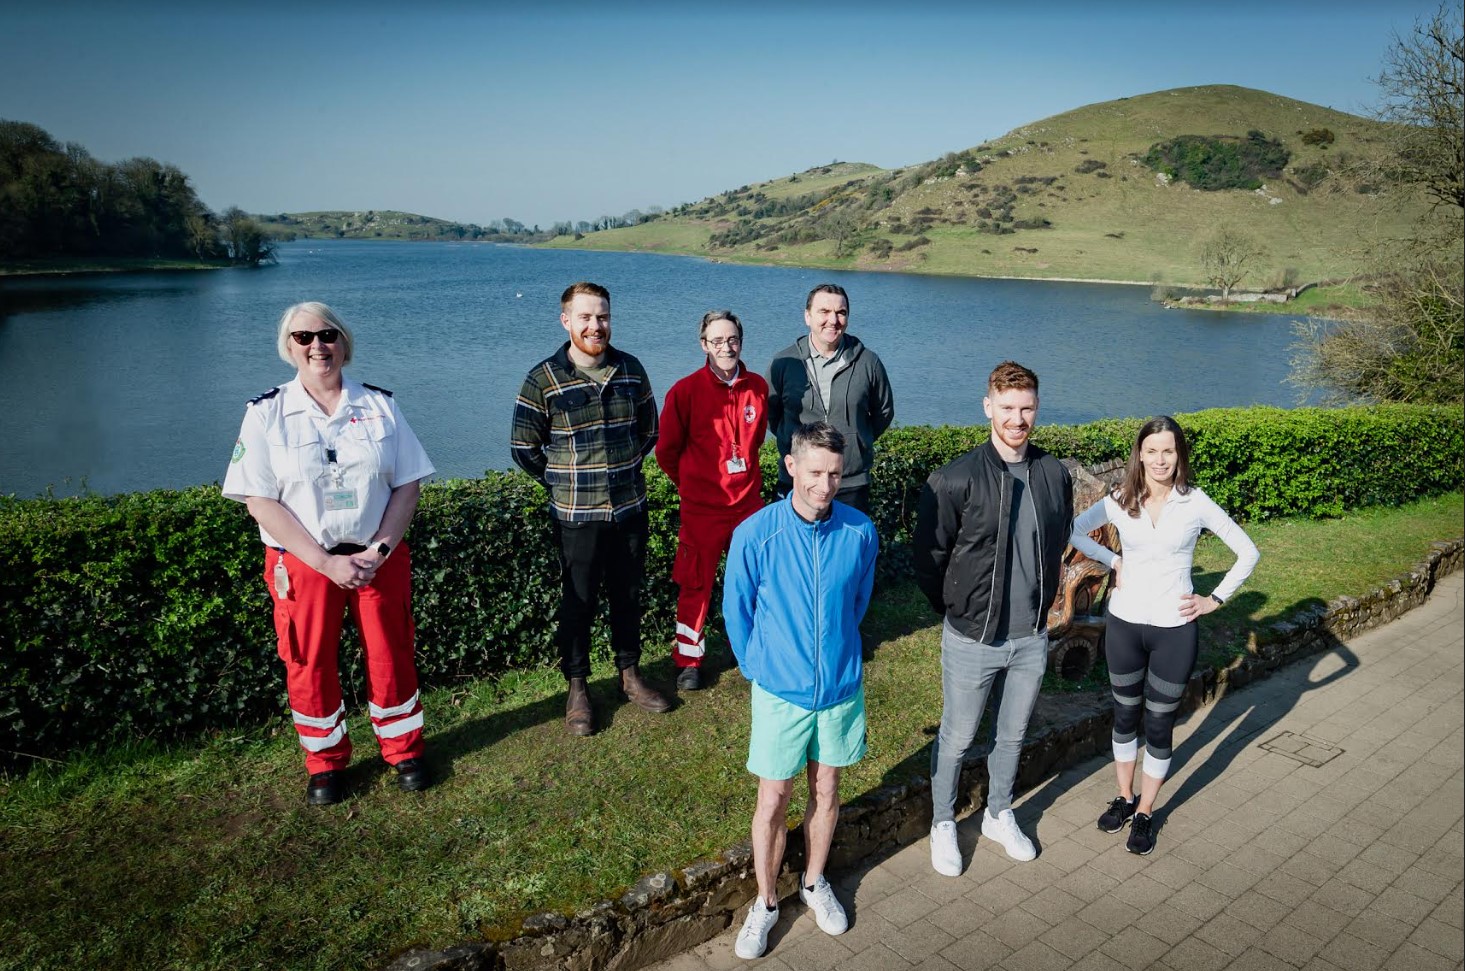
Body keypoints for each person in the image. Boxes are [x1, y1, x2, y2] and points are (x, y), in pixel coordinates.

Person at [223, 301, 434, 806]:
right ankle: (325, 762)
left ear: (344, 341)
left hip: (375, 557)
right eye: (303, 337)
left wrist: (378, 549)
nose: (317, 346)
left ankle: (404, 750)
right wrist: (324, 562)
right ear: (289, 347)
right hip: (303, 562)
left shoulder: (380, 404)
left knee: (390, 653)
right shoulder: (266, 412)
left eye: (327, 334)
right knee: (309, 660)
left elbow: (407, 485)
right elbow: (258, 500)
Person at [723, 421, 878, 960]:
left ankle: (813, 883)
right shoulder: (755, 534)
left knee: (827, 791)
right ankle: (765, 903)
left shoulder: (860, 532)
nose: (824, 485)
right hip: (779, 693)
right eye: (814, 472)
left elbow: (857, 604)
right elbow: (736, 612)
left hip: (838, 689)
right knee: (774, 798)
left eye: (835, 474)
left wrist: (836, 657)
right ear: (791, 467)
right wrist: (759, 667)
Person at [1068, 416, 1259, 855]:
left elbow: (1248, 551)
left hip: (1175, 631)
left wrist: (1215, 600)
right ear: (1139, 454)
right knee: (1124, 716)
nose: (1159, 459)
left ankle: (1146, 812)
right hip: (1125, 624)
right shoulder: (1120, 499)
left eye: (1168, 451)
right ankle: (1123, 796)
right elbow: (1074, 530)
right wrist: (1112, 560)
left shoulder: (1195, 503)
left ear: (1179, 455)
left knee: (1157, 725)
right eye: (1151, 451)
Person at [913, 361, 1074, 873]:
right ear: (988, 407)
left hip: (1031, 634)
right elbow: (929, 556)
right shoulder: (954, 479)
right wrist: (955, 609)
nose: (1017, 418)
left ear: (1037, 409)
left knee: (1013, 734)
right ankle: (942, 821)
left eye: (1026, 408)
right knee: (958, 737)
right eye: (1007, 408)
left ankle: (998, 812)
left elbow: (1056, 539)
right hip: (972, 636)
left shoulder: (1053, 474)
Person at [510, 281, 671, 736]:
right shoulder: (543, 378)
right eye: (585, 317)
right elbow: (524, 447)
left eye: (601, 317)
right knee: (577, 603)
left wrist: (620, 473)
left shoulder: (630, 369)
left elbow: (649, 431)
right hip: (576, 516)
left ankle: (630, 675)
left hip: (629, 509)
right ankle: (577, 687)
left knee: (628, 595)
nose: (594, 325)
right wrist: (563, 480)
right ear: (566, 321)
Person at [655, 310, 769, 692]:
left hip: (747, 505)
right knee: (695, 584)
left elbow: (755, 443)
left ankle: (751, 646)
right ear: (704, 345)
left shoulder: (758, 387)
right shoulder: (683, 392)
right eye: (717, 341)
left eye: (732, 339)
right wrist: (693, 485)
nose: (726, 347)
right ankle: (689, 659)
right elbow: (666, 452)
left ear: (741, 341)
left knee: (754, 580)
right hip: (702, 509)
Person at [766, 283, 894, 515]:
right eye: (824, 312)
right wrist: (794, 441)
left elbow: (883, 412)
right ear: (807, 316)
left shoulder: (868, 362)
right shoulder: (784, 362)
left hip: (850, 482)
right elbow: (771, 414)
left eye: (841, 312)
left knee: (848, 549)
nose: (833, 320)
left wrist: (855, 440)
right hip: (797, 481)